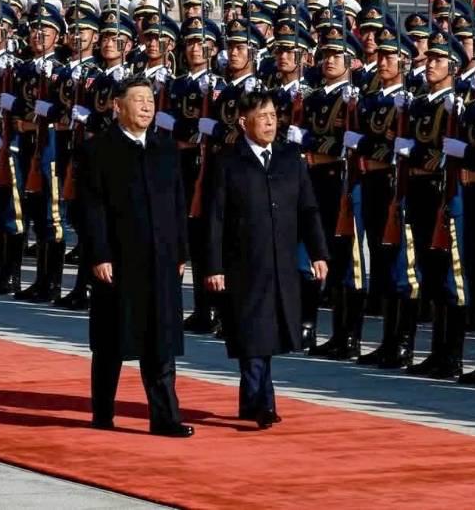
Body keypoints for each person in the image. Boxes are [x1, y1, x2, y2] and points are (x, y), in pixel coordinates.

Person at [205, 90, 329, 427]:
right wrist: (214, 265)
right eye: (262, 117)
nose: (270, 123)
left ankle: (253, 400)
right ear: (243, 122)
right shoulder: (228, 161)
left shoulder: (290, 158)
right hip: (243, 262)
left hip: (281, 261)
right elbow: (215, 217)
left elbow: (308, 209)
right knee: (252, 332)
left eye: (273, 116)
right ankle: (263, 403)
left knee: (269, 334)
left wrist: (318, 252)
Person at [81, 76, 193, 437]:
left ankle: (165, 417)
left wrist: (180, 251)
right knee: (111, 339)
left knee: (160, 341)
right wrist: (99, 254)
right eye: (138, 100)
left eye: (150, 101)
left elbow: (178, 202)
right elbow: (91, 208)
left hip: (161, 259)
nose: (146, 107)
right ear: (118, 106)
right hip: (118, 259)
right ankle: (102, 411)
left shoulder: (165, 148)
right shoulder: (99, 149)